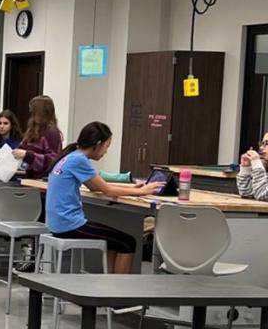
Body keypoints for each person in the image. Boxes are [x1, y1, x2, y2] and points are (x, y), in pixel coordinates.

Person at [47, 122, 163, 276]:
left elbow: (95, 187)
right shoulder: (79, 160)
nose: (106, 151)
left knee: (116, 242)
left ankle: (109, 287)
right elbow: (107, 190)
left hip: (59, 222)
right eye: (107, 146)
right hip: (69, 224)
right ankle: (116, 295)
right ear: (98, 144)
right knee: (128, 242)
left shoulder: (71, 156)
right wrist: (143, 192)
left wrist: (132, 189)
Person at [13, 95, 62, 180]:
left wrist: (28, 155)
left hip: (43, 179)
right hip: (30, 178)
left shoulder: (51, 132)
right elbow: (22, 148)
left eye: (32, 109)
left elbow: (53, 159)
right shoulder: (32, 129)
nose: (30, 111)